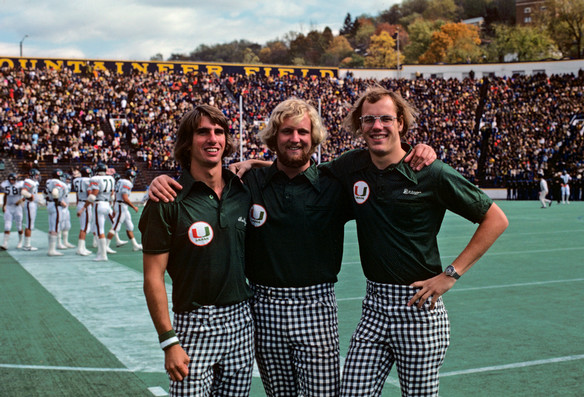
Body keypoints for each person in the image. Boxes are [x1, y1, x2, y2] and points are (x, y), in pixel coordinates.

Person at [148, 98, 437, 396]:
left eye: (302, 132)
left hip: (317, 308)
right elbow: (209, 178)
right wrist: (159, 181)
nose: (295, 138)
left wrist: (420, 150)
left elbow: (382, 167)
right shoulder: (250, 182)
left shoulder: (334, 182)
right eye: (287, 132)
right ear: (274, 137)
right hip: (264, 307)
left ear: (314, 138)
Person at [319, 86, 508, 397]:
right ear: (359, 125)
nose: (376, 126)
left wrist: (451, 275)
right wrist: (255, 166)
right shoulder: (351, 165)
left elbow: (496, 219)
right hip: (374, 309)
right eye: (368, 119)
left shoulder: (431, 171)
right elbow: (304, 172)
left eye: (385, 118)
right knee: (352, 391)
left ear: (400, 123)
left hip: (418, 307)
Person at [140, 104, 255, 397]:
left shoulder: (241, 189)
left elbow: (290, 165)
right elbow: (153, 277)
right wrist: (169, 341)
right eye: (202, 132)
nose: (212, 139)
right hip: (194, 325)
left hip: (242, 322)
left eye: (219, 132)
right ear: (187, 142)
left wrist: (253, 161)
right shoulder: (166, 198)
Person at [78, 163, 115, 261]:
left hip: (99, 204)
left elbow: (92, 196)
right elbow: (112, 195)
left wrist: (83, 208)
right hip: (107, 204)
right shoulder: (111, 178)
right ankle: (101, 252)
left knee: (100, 230)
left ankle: (102, 255)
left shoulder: (95, 179)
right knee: (101, 229)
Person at [106, 169, 142, 251]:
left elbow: (116, 195)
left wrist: (114, 208)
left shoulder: (120, 181)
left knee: (129, 226)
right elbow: (125, 198)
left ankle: (135, 245)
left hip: (121, 206)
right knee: (115, 227)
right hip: (121, 206)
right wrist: (133, 206)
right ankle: (105, 246)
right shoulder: (127, 183)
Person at [45, 169, 69, 256]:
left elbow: (45, 193)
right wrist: (58, 201)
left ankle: (50, 248)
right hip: (56, 205)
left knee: (51, 227)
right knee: (55, 227)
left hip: (50, 205)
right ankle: (52, 250)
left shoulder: (49, 182)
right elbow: (55, 192)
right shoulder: (57, 182)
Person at [73, 166, 94, 256]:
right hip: (85, 204)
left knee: (84, 227)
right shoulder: (88, 181)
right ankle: (80, 248)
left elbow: (77, 194)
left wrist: (78, 205)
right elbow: (90, 195)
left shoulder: (76, 180)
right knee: (84, 228)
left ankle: (83, 247)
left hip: (81, 202)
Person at [1, 173, 24, 250]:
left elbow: (27, 194)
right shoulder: (5, 184)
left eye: (13, 179)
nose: (11, 181)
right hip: (9, 207)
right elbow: (5, 195)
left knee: (19, 226)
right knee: (7, 226)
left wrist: (21, 200)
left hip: (17, 207)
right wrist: (4, 205)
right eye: (10, 179)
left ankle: (20, 241)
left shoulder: (20, 184)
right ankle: (5, 244)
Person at [21, 168, 42, 251]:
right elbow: (24, 191)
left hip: (33, 204)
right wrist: (30, 196)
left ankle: (27, 244)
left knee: (30, 224)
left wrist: (38, 200)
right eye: (36, 175)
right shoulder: (28, 181)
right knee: (29, 225)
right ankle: (27, 245)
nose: (38, 176)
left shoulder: (34, 182)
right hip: (30, 204)